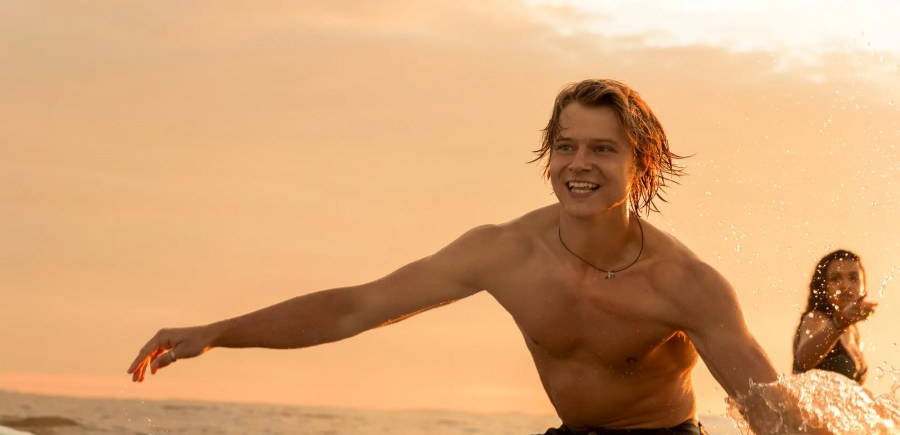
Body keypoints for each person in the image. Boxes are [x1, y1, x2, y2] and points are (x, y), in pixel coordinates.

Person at [128, 79, 824, 435]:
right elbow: (356, 307)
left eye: (602, 149)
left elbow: (769, 411)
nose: (578, 164)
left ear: (639, 165)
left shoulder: (685, 284)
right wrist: (217, 331)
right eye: (566, 146)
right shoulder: (506, 252)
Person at [793, 250, 876, 384]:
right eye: (835, 278)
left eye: (853, 278)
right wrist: (839, 323)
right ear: (823, 286)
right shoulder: (816, 318)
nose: (845, 285)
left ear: (863, 286)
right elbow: (803, 360)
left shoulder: (852, 331)